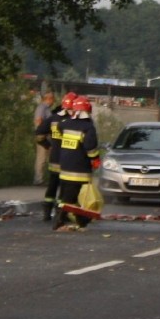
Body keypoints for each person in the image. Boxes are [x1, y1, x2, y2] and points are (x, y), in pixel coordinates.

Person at [54, 96, 100, 230]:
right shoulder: (88, 127)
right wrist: (95, 159)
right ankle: (59, 220)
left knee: (70, 197)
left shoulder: (65, 124)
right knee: (72, 198)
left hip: (64, 168)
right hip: (79, 170)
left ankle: (81, 220)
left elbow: (60, 127)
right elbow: (90, 148)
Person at [36, 92, 74, 221]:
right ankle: (60, 212)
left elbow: (39, 134)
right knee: (65, 187)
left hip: (54, 159)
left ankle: (47, 212)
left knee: (52, 185)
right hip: (68, 161)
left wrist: (47, 145)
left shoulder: (53, 118)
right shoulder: (74, 121)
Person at [33, 91, 55, 185]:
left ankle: (44, 178)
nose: (53, 101)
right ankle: (38, 179)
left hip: (46, 136)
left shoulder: (46, 108)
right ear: (48, 99)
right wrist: (42, 133)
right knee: (41, 158)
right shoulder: (42, 108)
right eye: (53, 99)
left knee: (48, 158)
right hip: (43, 136)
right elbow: (38, 121)